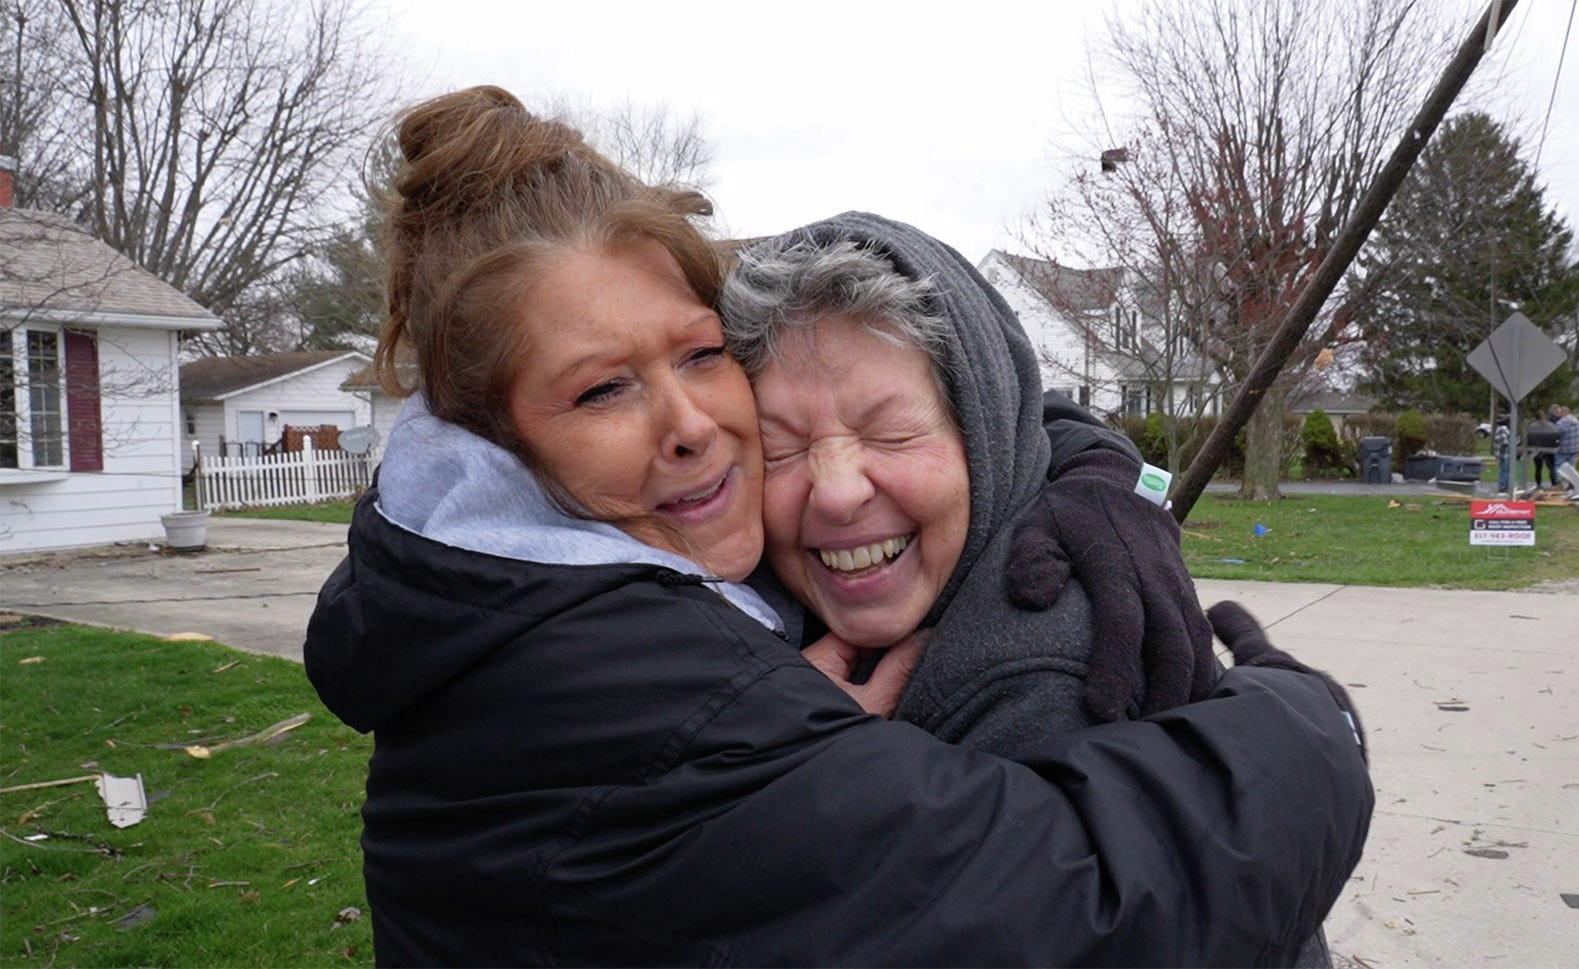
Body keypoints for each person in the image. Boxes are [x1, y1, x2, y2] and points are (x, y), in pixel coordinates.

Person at [304, 86, 1372, 967]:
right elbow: (1076, 908)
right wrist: (1306, 728)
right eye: (600, 393)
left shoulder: (546, 579)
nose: (692, 429)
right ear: (498, 438)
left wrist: (1101, 473)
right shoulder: (657, 691)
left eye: (699, 354)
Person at [719, 213, 1354, 966]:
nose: (834, 491)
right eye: (779, 446)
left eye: (890, 433)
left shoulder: (1046, 675)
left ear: (984, 435)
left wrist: (803, 779)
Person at [1527, 410, 1560, 489]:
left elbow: (1529, 437)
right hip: (1549, 449)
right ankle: (1554, 484)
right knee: (1551, 467)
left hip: (1537, 449)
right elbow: (1556, 435)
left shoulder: (1532, 426)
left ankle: (1538, 484)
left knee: (1538, 468)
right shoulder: (1551, 425)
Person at [1551, 403, 1579, 475]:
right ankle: (1572, 482)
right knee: (1572, 467)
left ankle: (1559, 482)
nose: (1558, 414)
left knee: (1558, 465)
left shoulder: (1561, 423)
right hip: (1574, 447)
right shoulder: (1576, 421)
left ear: (1563, 413)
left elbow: (1555, 435)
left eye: (1559, 412)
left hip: (1563, 448)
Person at [1492, 413, 1512, 493]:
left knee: (1505, 470)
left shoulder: (1502, 428)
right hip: (1504, 454)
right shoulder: (1503, 429)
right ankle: (1503, 486)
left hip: (1504, 454)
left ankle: (1504, 485)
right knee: (1504, 470)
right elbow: (1504, 442)